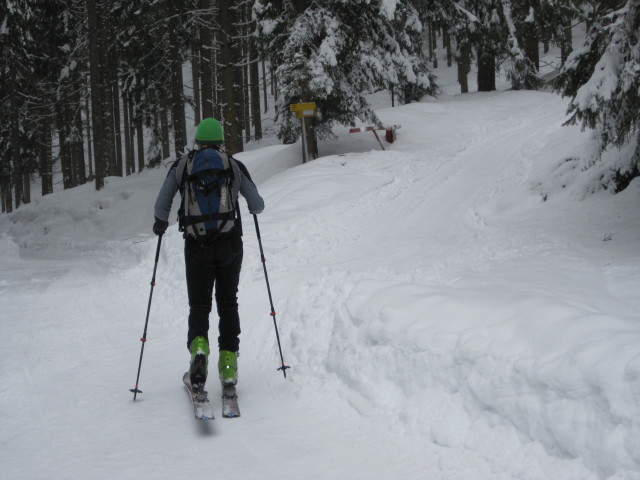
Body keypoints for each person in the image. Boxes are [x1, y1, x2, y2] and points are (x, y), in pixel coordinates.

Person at [152, 117, 264, 391]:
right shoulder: (233, 165)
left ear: (198, 142)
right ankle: (228, 366)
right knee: (228, 303)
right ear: (220, 142)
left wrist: (160, 223)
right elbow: (258, 205)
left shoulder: (183, 165)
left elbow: (161, 205)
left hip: (196, 247)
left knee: (199, 305)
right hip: (229, 245)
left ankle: (199, 352)